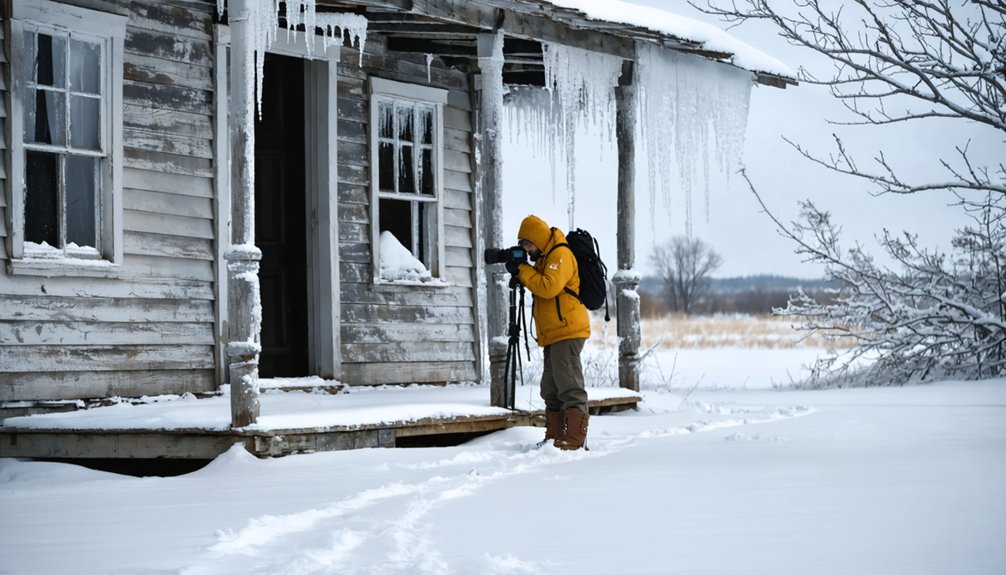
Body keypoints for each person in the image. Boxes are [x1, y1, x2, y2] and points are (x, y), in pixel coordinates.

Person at [505, 215, 591, 450]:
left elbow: (548, 287)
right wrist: (523, 271)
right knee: (551, 386)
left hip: (568, 330)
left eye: (529, 244)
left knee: (569, 383)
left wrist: (522, 270)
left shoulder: (559, 255)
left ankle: (574, 438)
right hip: (554, 333)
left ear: (539, 240)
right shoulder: (544, 258)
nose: (526, 250)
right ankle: (554, 436)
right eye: (523, 246)